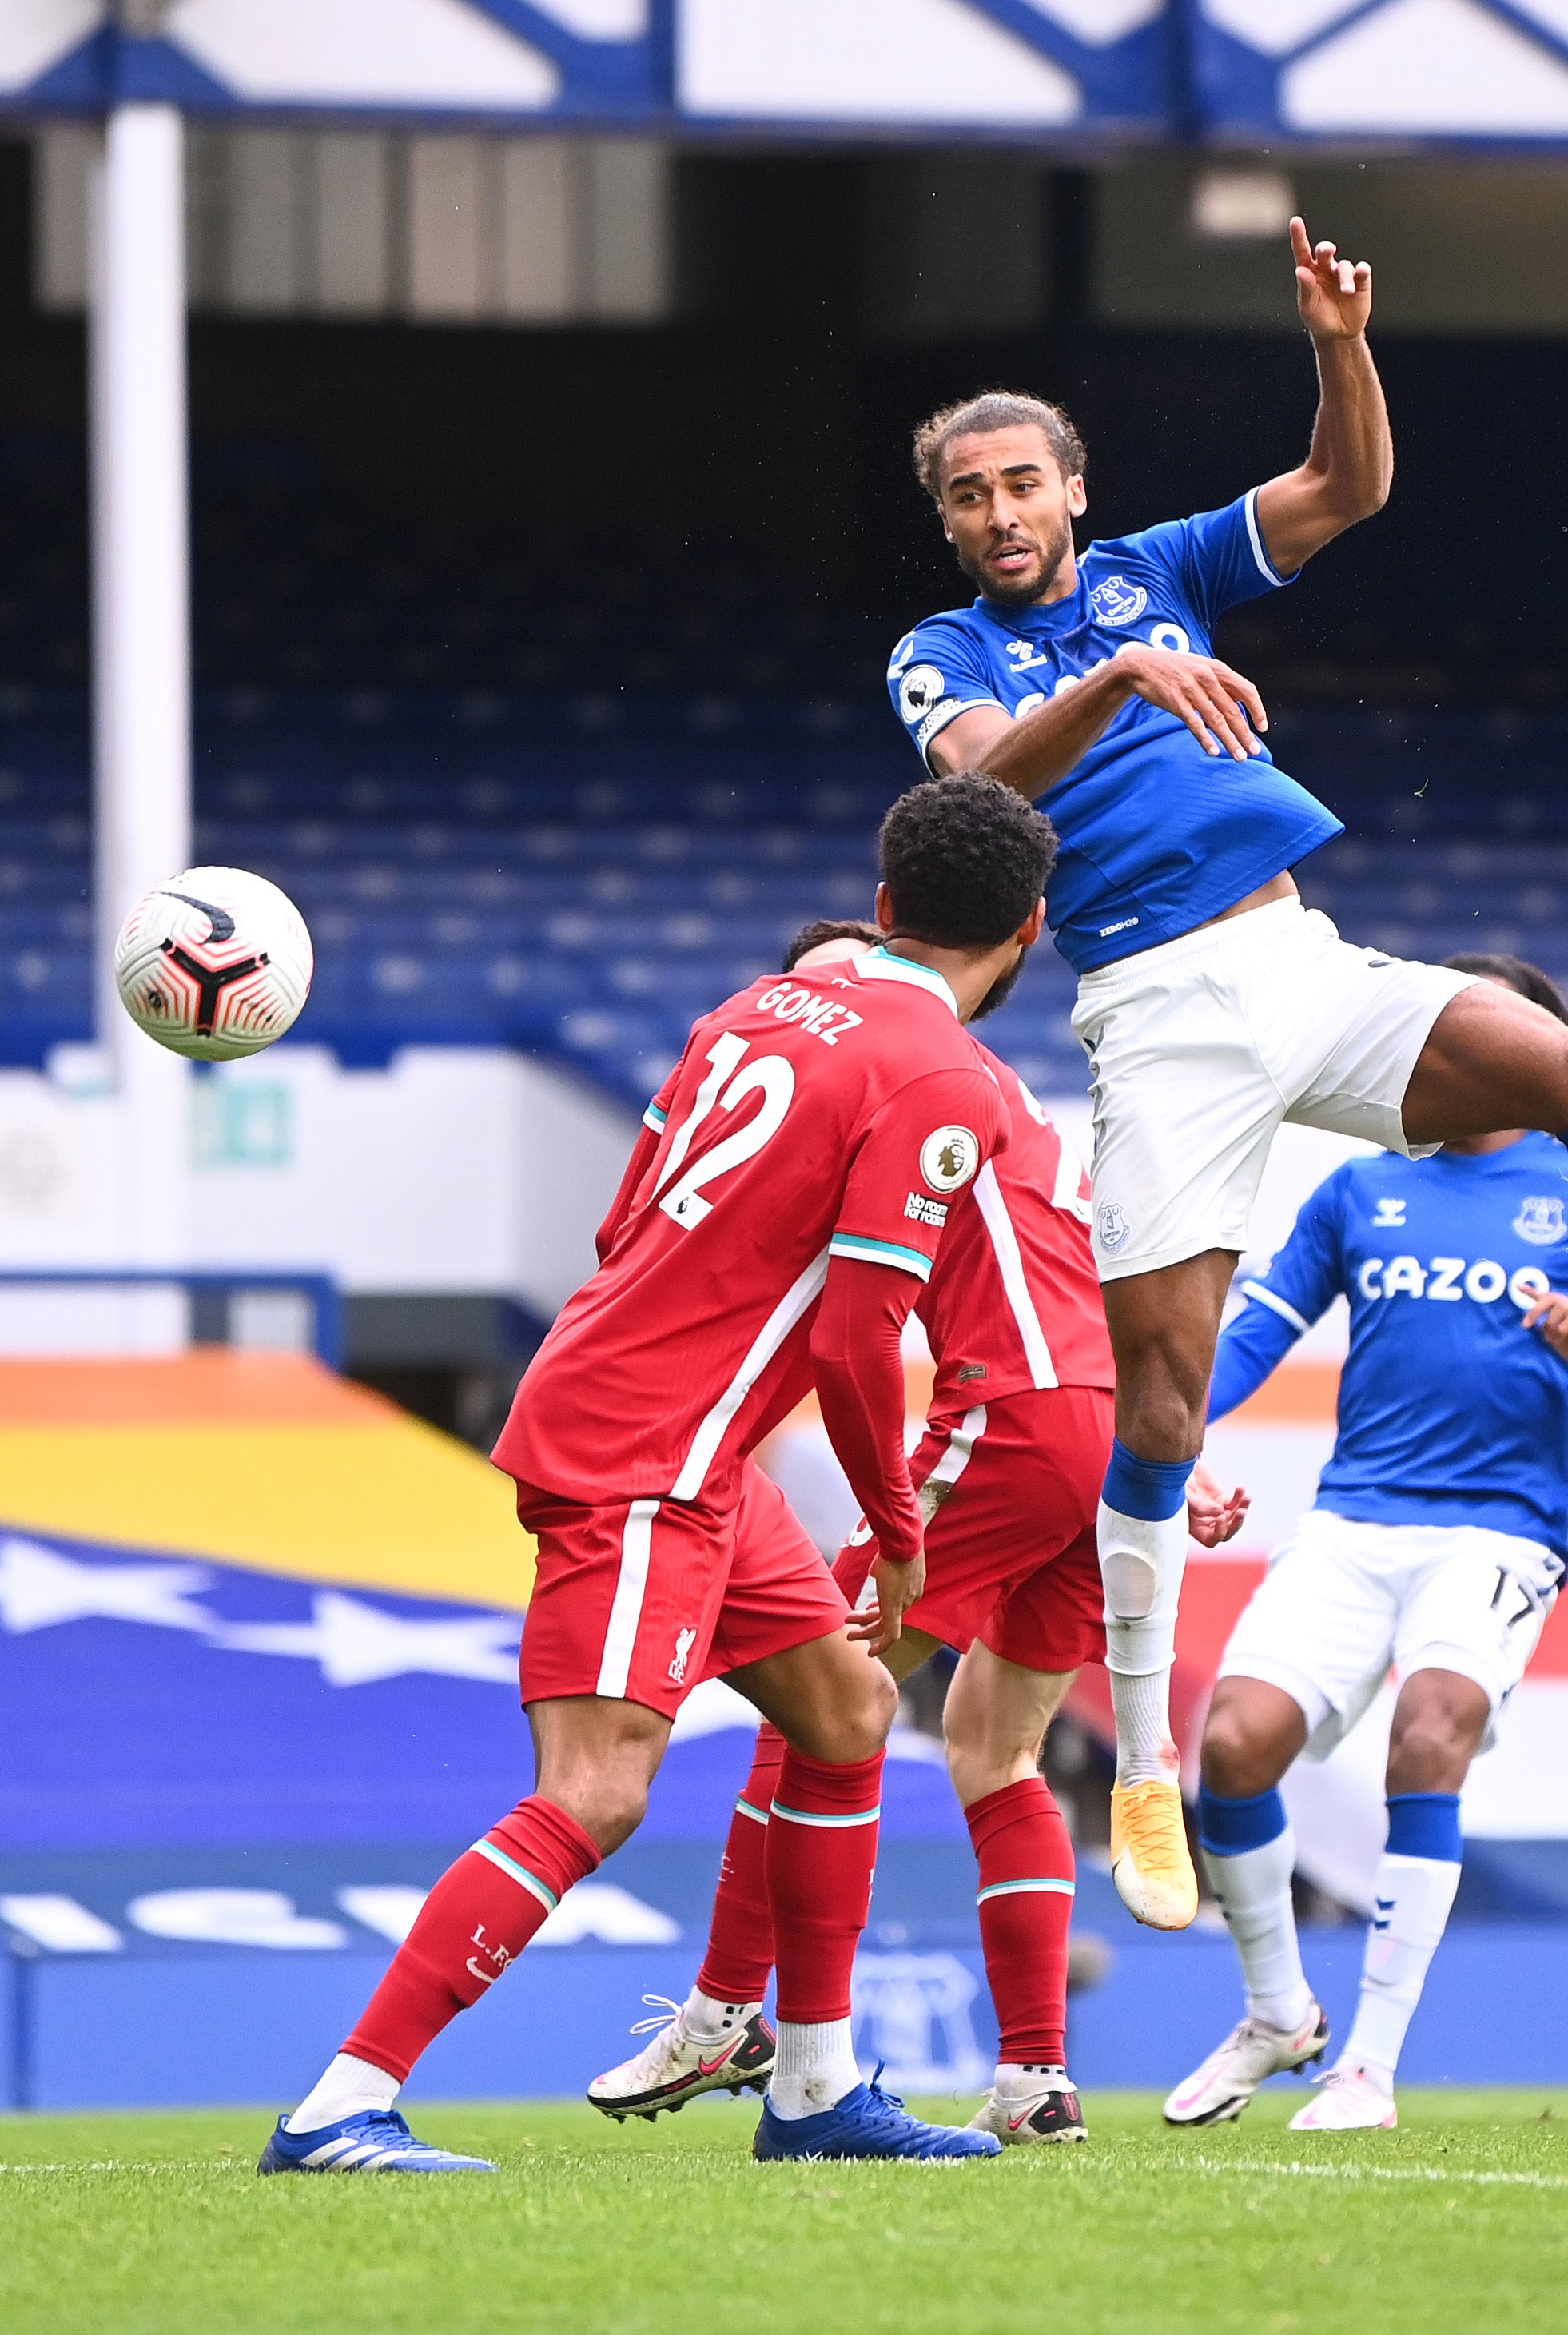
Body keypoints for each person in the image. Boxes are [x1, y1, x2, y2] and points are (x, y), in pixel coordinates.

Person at [885, 222, 1568, 1934]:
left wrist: (1342, 339)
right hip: (1160, 1016)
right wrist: (1122, 675)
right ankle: (1137, 1771)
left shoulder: (1159, 563)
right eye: (967, 497)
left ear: (1072, 484)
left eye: (1020, 483)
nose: (997, 515)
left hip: (1299, 961)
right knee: (1167, 1413)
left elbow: (1346, 485)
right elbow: (992, 789)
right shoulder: (944, 653)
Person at [259, 776, 1054, 2174]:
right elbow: (867, 1327)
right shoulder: (947, 1078)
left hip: (676, 1432)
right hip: (653, 1450)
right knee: (598, 1787)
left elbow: (622, 1219)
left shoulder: (753, 1009)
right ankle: (338, 2105)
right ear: (1029, 932)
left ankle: (811, 2087)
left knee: (848, 1709)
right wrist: (895, 1523)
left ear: (879, 904)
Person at [1148, 957, 1568, 2132]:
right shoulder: (1359, 1188)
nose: (1449, 1054)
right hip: (1352, 1519)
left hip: (1497, 1530)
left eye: (1472, 1035)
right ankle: (1278, 2010)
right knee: (1229, 1748)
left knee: (1430, 1738)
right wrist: (1170, 1443)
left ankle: (1366, 2067)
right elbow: (1250, 1339)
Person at [586, 918, 1115, 2147]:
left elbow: (851, 1322)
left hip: (1009, 1416)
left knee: (816, 1691)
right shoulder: (1000, 1096)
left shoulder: (909, 1083)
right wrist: (1149, 1451)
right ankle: (1036, 2076)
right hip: (1094, 1430)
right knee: (997, 1747)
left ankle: (728, 2006)